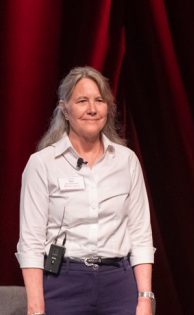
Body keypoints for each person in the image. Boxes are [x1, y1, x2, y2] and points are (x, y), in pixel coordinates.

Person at [16, 66, 155, 315]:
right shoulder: (42, 164)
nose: (92, 109)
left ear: (107, 109)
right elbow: (31, 242)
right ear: (65, 109)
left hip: (119, 284)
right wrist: (35, 307)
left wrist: (145, 298)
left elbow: (141, 235)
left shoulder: (127, 161)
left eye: (99, 100)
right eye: (82, 101)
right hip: (63, 282)